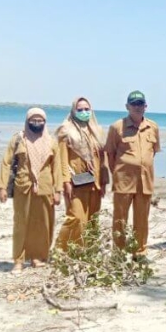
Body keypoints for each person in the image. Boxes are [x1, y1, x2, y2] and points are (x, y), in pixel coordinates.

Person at [0, 108, 62, 272]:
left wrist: (58, 191)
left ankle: (37, 256)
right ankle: (18, 260)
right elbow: (6, 163)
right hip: (23, 186)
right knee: (21, 223)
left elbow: (57, 167)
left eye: (40, 120)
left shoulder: (51, 142)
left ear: (45, 122)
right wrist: (2, 187)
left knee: (43, 224)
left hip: (45, 188)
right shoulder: (18, 139)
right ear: (27, 121)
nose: (37, 123)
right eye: (33, 120)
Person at [104, 90, 160, 258]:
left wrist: (141, 164)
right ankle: (118, 253)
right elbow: (110, 153)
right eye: (134, 104)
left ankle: (139, 252)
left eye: (140, 104)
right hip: (124, 181)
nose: (137, 107)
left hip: (145, 181)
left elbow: (153, 152)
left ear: (145, 106)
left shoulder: (153, 127)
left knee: (142, 220)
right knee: (120, 219)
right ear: (127, 106)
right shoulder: (116, 127)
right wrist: (120, 171)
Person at [55, 97, 108, 250]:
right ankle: (62, 250)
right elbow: (62, 159)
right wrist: (65, 181)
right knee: (75, 218)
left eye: (86, 109)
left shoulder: (97, 130)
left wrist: (104, 180)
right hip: (75, 181)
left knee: (92, 219)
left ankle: (88, 251)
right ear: (73, 111)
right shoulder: (66, 130)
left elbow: (102, 158)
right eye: (80, 110)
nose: (84, 112)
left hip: (95, 181)